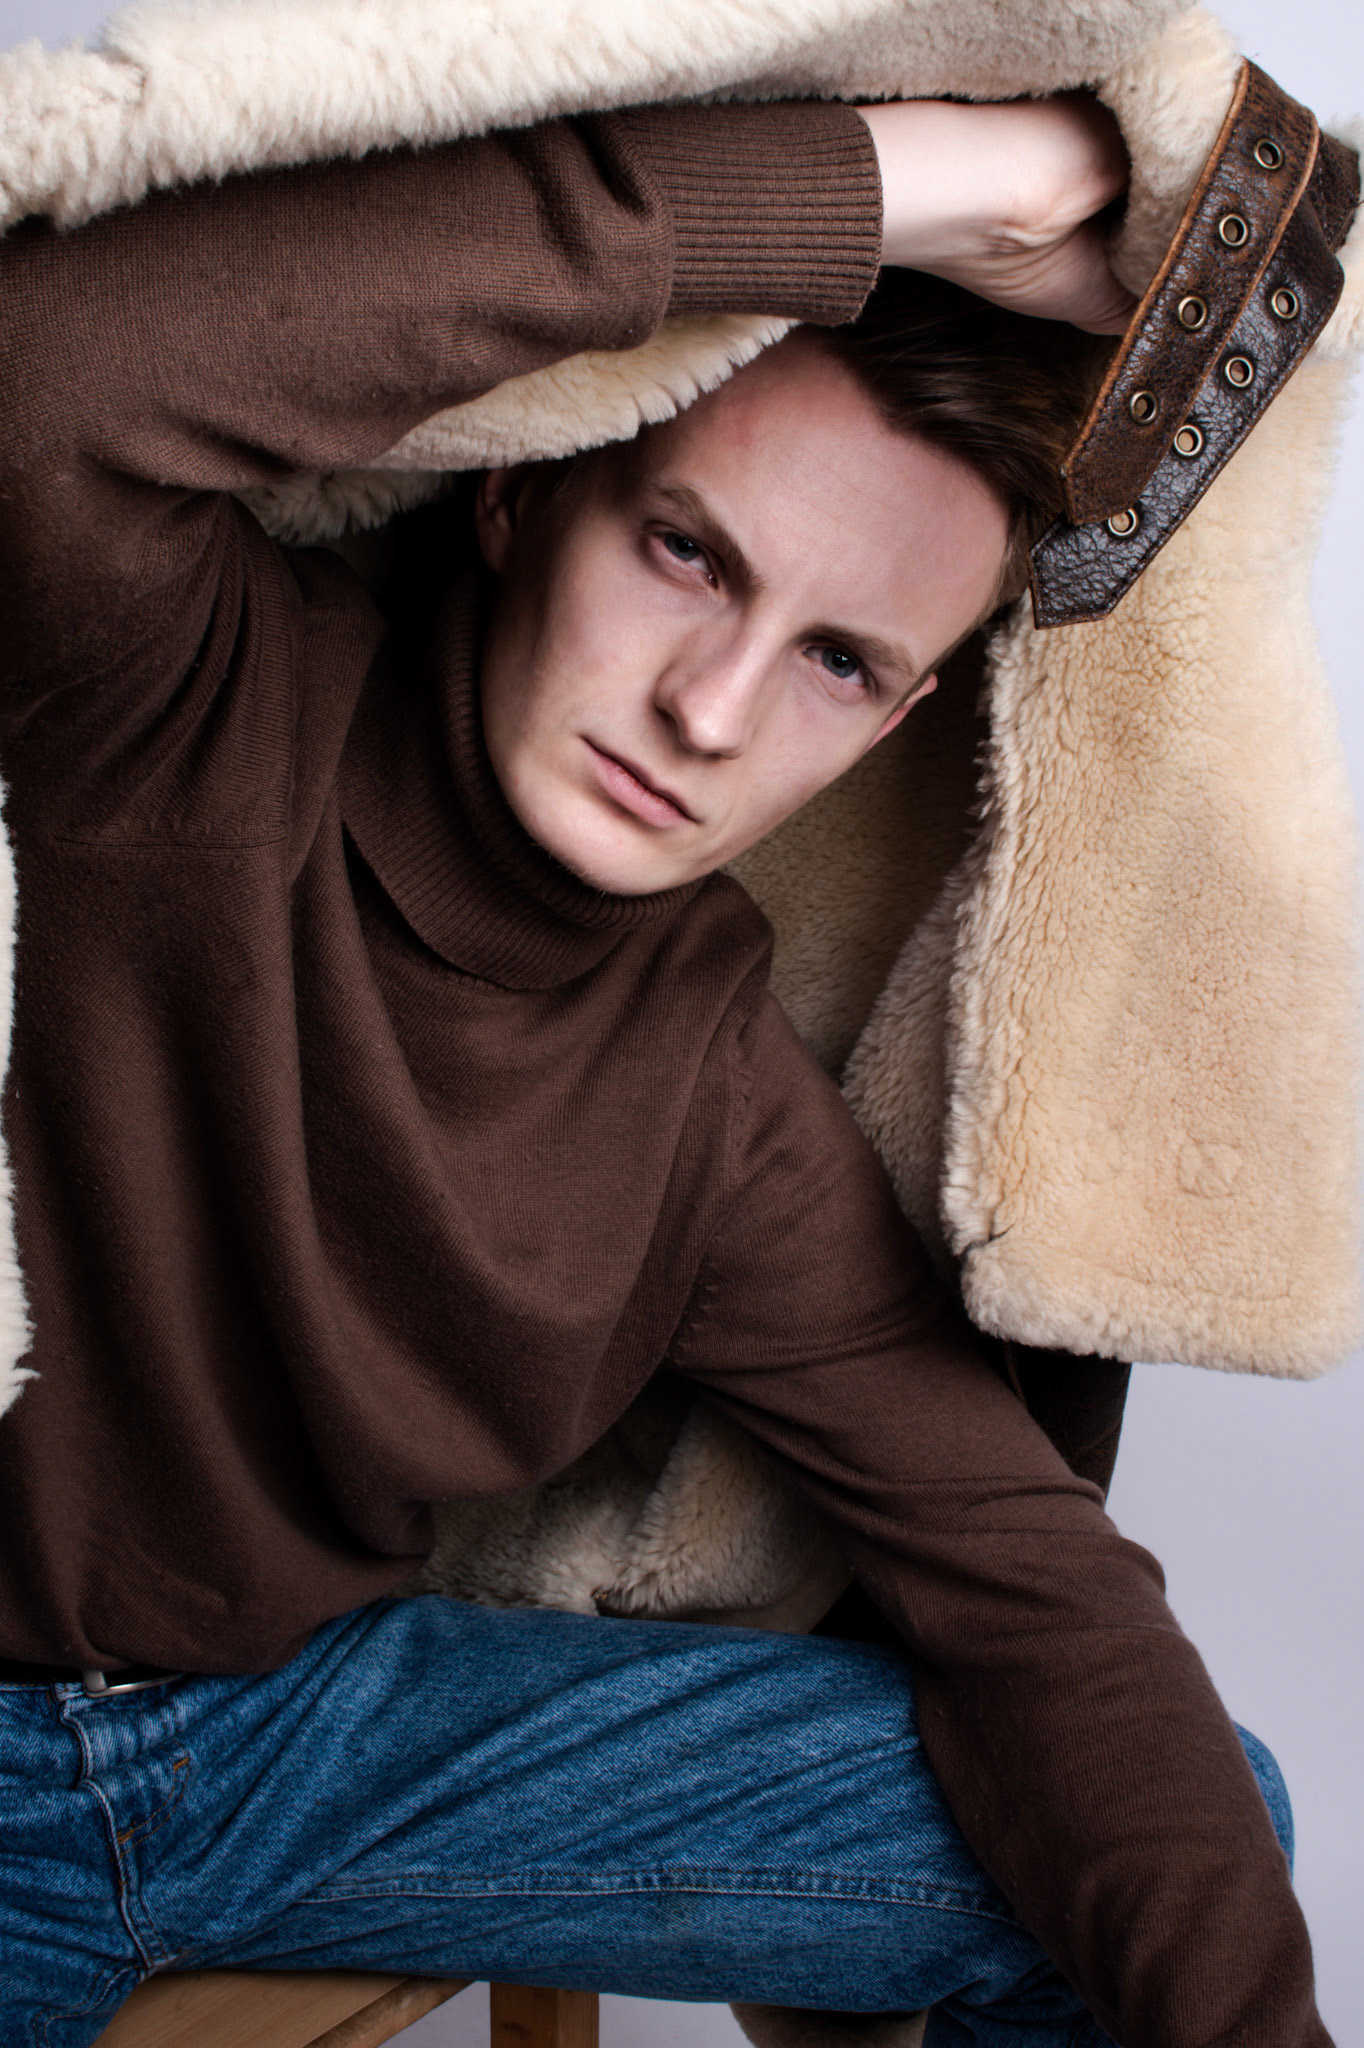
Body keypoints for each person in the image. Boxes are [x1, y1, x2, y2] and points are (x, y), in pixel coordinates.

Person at [0, 85, 1327, 2048]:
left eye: (836, 661)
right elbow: (49, 354)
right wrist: (941, 188)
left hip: (298, 1740)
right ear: (524, 492)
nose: (708, 711)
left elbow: (1026, 1585)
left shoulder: (711, 1089)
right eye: (689, 554)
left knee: (1187, 1829)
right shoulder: (182, 689)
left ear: (890, 724)